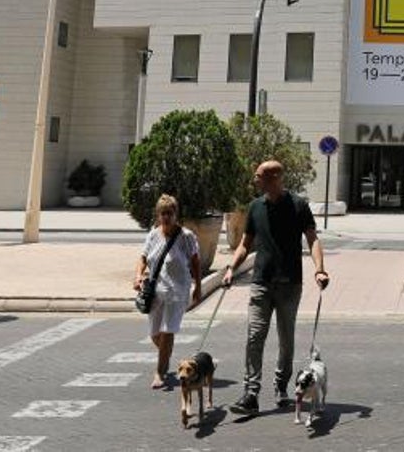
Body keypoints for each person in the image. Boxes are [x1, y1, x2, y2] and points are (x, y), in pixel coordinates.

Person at [222, 159, 329, 415]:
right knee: (254, 337)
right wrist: (230, 269)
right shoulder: (255, 207)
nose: (255, 180)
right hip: (261, 282)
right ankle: (251, 393)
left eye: (258, 176)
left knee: (286, 341)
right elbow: (245, 244)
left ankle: (281, 386)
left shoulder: (298, 206)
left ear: (274, 178)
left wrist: (320, 269)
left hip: (290, 284)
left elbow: (313, 239)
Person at [133, 194, 203, 389]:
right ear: (158, 215)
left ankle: (159, 372)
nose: (166, 217)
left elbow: (196, 262)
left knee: (167, 331)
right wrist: (138, 276)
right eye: (163, 213)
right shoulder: (153, 235)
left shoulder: (186, 237)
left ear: (176, 214)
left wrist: (198, 286)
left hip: (177, 292)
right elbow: (143, 257)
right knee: (155, 334)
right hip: (155, 291)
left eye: (170, 213)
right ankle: (168, 355)